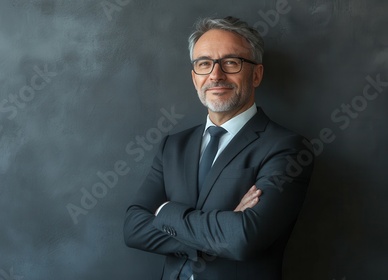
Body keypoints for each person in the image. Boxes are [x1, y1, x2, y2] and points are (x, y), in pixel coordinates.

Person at [123, 16, 314, 280]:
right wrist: (224, 225)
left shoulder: (287, 148)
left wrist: (164, 213)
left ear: (256, 74)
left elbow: (243, 238)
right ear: (194, 78)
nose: (215, 75)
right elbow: (133, 228)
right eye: (204, 64)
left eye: (231, 62)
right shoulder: (173, 146)